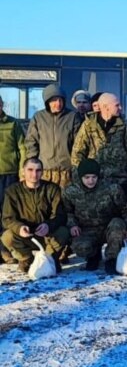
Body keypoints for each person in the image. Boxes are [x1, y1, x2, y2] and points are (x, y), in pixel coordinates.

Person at [1, 158, 70, 273]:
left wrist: (48, 225)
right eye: (30, 170)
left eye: (38, 170)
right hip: (26, 236)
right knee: (7, 237)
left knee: (63, 232)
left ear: (42, 172)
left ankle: (50, 258)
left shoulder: (52, 189)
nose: (34, 174)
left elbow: (61, 216)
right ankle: (26, 259)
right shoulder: (12, 191)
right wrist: (19, 228)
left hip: (47, 235)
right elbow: (7, 218)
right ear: (23, 171)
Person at [63, 159, 127, 272]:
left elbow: (125, 209)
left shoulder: (112, 188)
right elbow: (67, 211)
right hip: (86, 229)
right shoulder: (71, 191)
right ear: (81, 177)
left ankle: (111, 258)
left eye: (94, 177)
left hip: (108, 227)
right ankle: (93, 255)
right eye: (87, 177)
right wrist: (72, 225)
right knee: (80, 247)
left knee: (117, 224)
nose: (91, 181)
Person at [71, 93, 127, 195]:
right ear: (105, 107)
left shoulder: (123, 126)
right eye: (117, 105)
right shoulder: (88, 125)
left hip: (120, 183)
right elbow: (77, 153)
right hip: (95, 183)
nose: (120, 108)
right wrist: (80, 180)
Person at [25, 83, 82, 189]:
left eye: (60, 100)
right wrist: (33, 165)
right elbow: (31, 142)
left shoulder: (73, 117)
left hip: (66, 172)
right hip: (45, 171)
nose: (58, 103)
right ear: (47, 102)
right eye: (54, 100)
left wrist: (75, 167)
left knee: (65, 203)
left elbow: (78, 145)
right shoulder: (38, 117)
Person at [0, 95, 27, 263]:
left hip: (9, 175)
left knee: (7, 213)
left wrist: (22, 171)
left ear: (2, 105)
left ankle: (6, 249)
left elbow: (22, 148)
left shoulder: (13, 123)